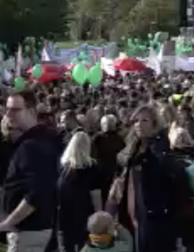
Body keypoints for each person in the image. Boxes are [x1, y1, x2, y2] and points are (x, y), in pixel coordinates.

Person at [0, 90, 60, 252]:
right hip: (31, 230)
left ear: (31, 112)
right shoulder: (35, 140)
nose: (9, 114)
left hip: (28, 231)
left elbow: (37, 193)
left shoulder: (33, 145)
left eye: (16, 110)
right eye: (8, 109)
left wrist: (8, 222)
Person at [110, 105, 182, 252]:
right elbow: (121, 164)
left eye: (144, 120)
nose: (138, 124)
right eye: (136, 120)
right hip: (131, 218)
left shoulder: (160, 149)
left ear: (154, 124)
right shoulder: (132, 148)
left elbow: (172, 175)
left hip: (155, 220)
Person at [58, 131, 103, 252]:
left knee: (66, 245)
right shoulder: (92, 167)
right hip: (84, 211)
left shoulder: (62, 166)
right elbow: (96, 193)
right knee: (84, 245)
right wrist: (99, 213)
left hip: (64, 211)